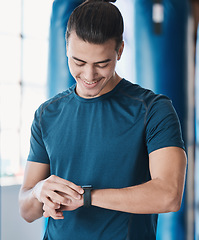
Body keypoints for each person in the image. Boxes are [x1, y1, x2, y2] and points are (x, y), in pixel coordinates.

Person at [18, 0, 187, 239]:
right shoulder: (47, 113)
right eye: (78, 62)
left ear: (119, 51)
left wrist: (87, 197)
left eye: (102, 63)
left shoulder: (154, 110)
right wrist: (38, 191)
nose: (88, 75)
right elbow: (26, 210)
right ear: (66, 47)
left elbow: (169, 195)